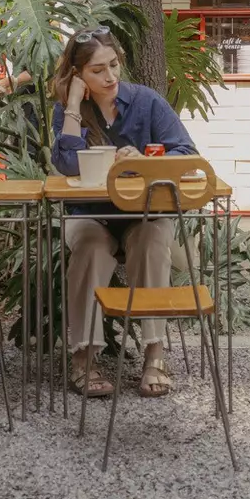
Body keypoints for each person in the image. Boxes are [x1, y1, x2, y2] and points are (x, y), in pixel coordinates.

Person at [50, 26, 198, 400]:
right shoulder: (70, 111)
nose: (110, 76)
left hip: (142, 214)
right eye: (97, 70)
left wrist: (150, 160)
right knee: (89, 246)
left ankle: (154, 355)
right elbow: (67, 166)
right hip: (91, 214)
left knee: (153, 239)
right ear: (78, 74)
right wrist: (72, 105)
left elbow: (187, 154)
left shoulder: (146, 102)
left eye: (113, 65)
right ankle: (84, 359)